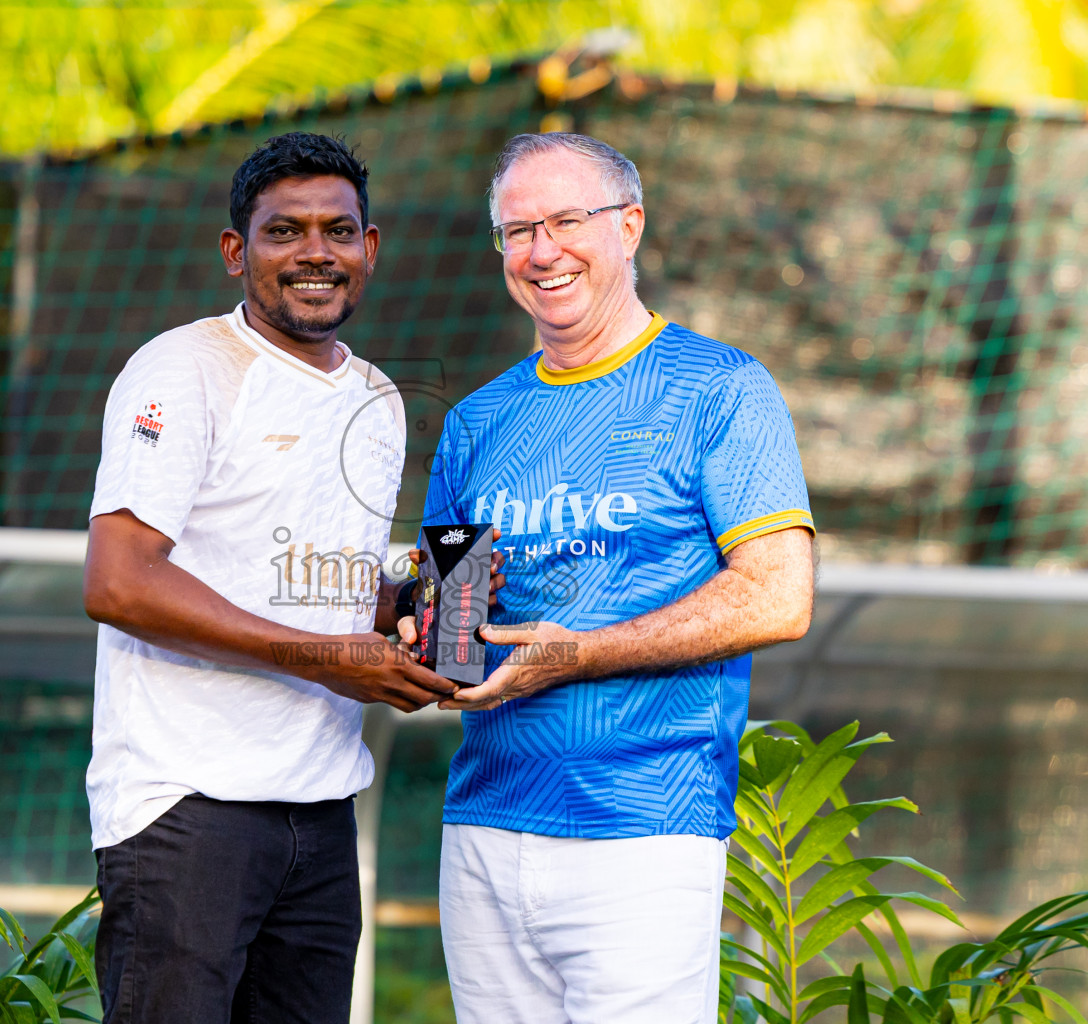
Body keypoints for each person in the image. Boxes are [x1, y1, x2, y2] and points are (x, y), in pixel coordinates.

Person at [401, 132, 817, 1023]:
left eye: (564, 221)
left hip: (645, 828)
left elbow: (778, 596)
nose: (541, 250)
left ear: (629, 226)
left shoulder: (721, 390)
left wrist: (579, 653)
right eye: (517, 231)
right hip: (483, 826)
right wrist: (413, 618)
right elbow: (449, 616)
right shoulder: (477, 421)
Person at [82, 131, 456, 1024]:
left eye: (337, 230)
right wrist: (330, 658)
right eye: (284, 231)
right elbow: (120, 584)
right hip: (187, 808)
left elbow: (319, 580)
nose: (314, 252)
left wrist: (428, 611)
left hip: (321, 809)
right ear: (234, 251)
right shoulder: (185, 369)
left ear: (370, 249)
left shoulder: (378, 396)